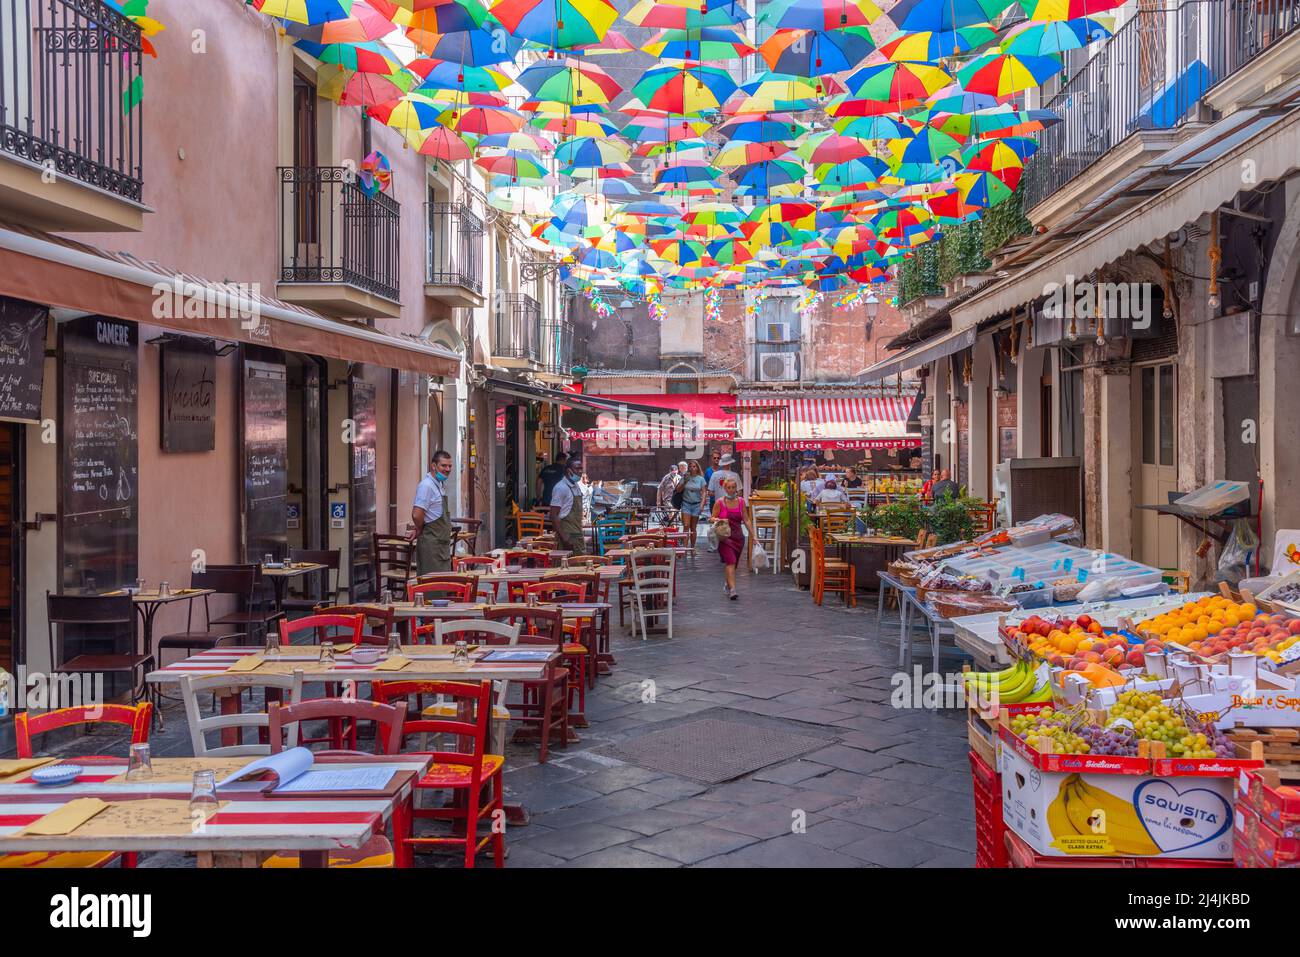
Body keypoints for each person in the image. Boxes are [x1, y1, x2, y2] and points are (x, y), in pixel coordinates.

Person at [410, 449, 454, 575]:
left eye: (449, 466)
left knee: (440, 587)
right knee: (432, 588)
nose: (447, 469)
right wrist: (419, 529)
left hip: (440, 547)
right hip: (432, 548)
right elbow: (416, 514)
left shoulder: (438, 485)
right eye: (443, 465)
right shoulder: (427, 486)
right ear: (433, 466)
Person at [711, 476, 756, 599]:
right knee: (730, 561)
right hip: (725, 538)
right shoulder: (720, 502)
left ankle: (728, 584)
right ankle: (733, 590)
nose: (731, 490)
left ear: (736, 488)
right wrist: (718, 519)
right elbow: (711, 518)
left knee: (733, 564)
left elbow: (746, 520)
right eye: (729, 487)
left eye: (733, 487)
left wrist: (753, 535)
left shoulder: (741, 501)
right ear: (725, 488)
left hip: (738, 538)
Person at [549, 455, 588, 556]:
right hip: (567, 537)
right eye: (577, 468)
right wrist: (565, 538)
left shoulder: (576, 486)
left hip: (577, 534)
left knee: (580, 568)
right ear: (568, 470)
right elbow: (553, 515)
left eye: (581, 469)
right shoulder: (561, 488)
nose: (580, 471)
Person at [679, 460, 708, 547]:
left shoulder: (701, 479)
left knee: (693, 527)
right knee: (686, 525)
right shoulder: (685, 477)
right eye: (690, 466)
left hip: (696, 504)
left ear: (697, 468)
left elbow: (704, 493)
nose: (692, 468)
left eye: (694, 466)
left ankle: (692, 547)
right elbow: (678, 490)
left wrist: (702, 505)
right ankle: (684, 548)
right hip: (686, 503)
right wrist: (685, 481)